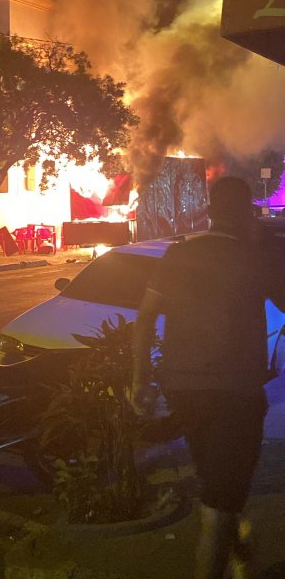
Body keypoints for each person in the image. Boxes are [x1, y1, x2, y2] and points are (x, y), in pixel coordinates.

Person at [129, 176, 285, 579]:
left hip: (184, 392)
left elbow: (144, 321)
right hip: (236, 395)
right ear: (247, 214)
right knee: (218, 505)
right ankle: (230, 550)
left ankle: (240, 549)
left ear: (211, 213)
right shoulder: (254, 258)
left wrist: (139, 380)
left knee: (218, 485)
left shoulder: (180, 255)